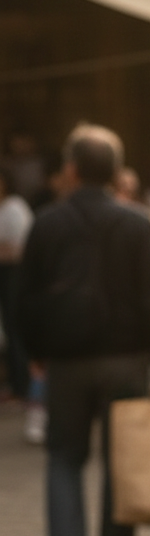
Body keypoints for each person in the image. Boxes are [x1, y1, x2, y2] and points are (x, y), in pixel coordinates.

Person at [18, 124, 150, 536]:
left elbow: (24, 298)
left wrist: (35, 353)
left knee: (64, 458)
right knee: (122, 463)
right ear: (114, 173)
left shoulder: (47, 223)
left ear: (70, 170)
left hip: (66, 361)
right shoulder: (136, 224)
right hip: (126, 360)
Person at [0, 165, 34, 403]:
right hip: (4, 276)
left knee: (16, 330)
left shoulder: (15, 208)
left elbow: (25, 247)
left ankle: (23, 386)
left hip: (15, 276)